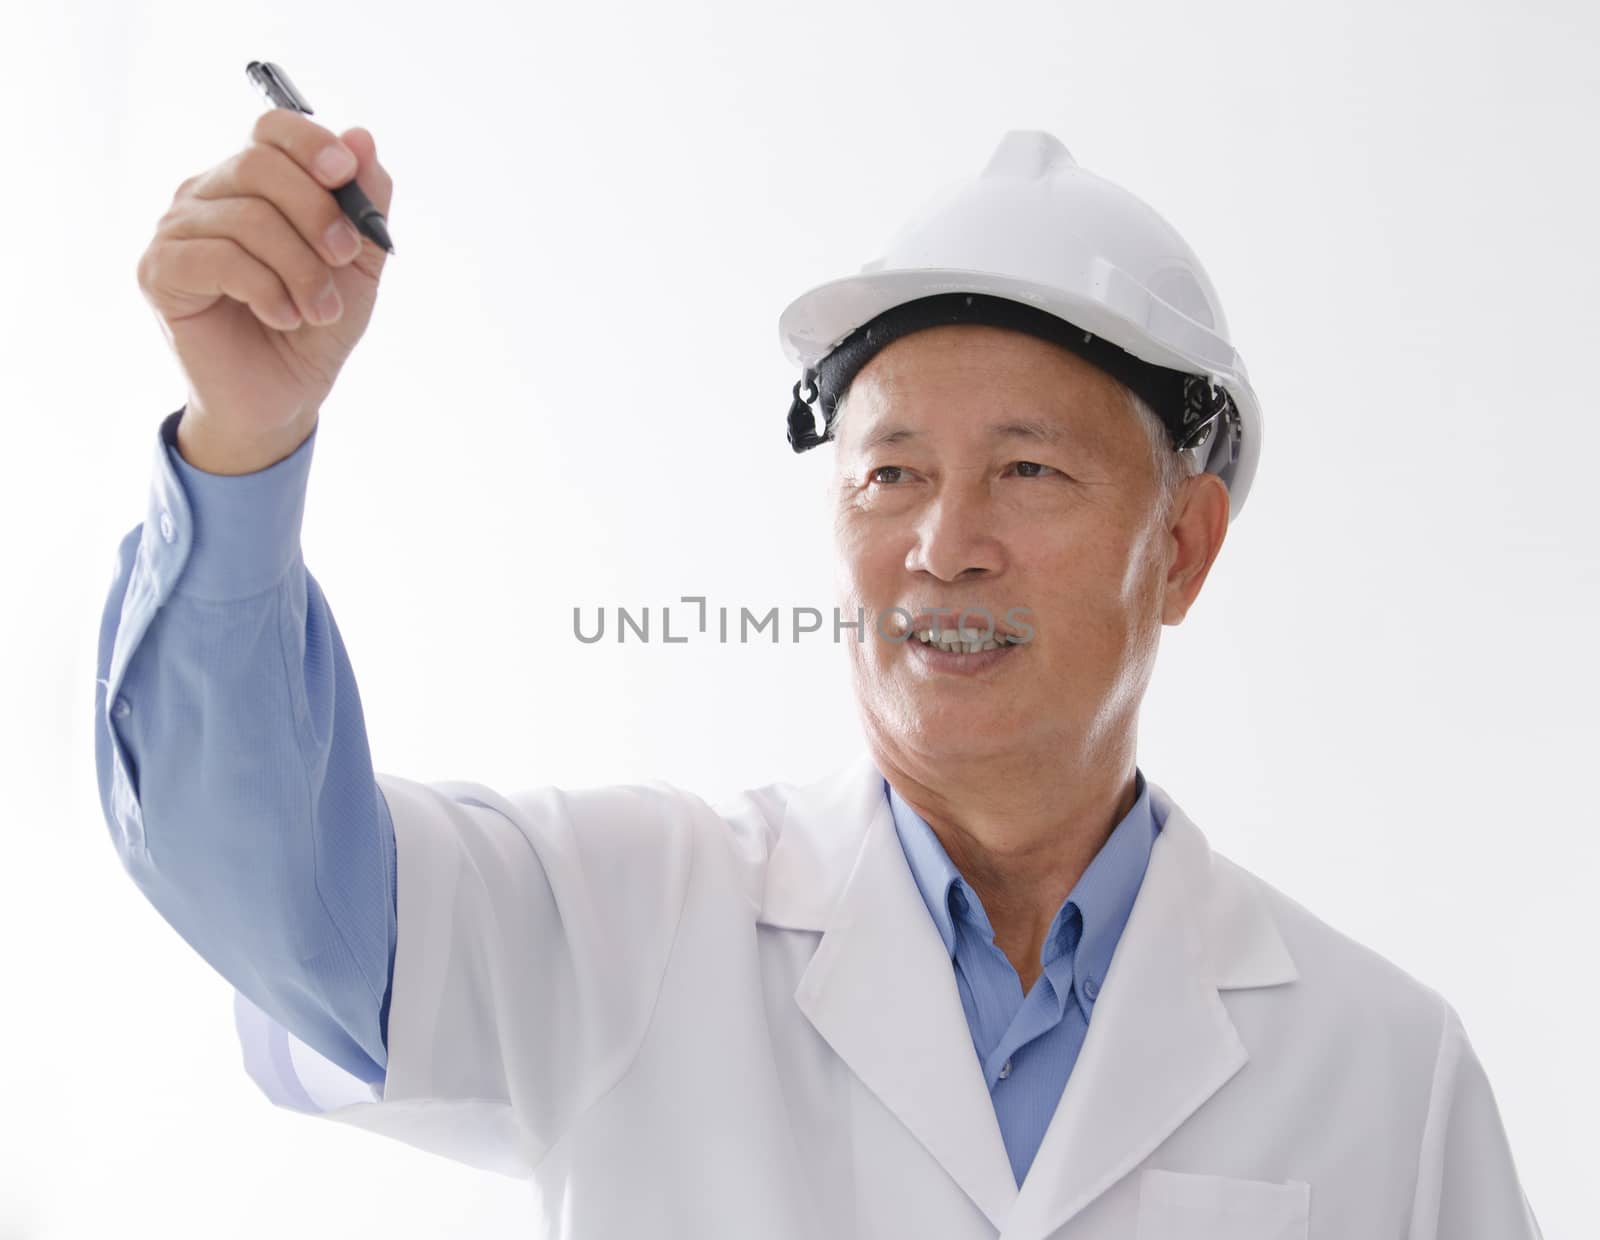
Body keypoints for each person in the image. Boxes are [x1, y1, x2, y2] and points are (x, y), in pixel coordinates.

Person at [95, 114, 1544, 1238]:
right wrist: (245, 436)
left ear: (1184, 544)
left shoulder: (1384, 1071)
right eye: (889, 473)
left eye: (1027, 471)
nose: (942, 545)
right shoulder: (622, 929)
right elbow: (268, 889)